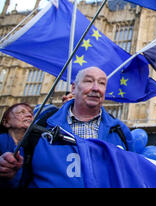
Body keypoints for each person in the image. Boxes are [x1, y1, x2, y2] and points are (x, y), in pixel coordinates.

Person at [0, 66, 134, 187]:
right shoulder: (40, 128)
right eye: (88, 81)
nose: (95, 88)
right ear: (74, 88)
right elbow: (21, 178)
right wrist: (10, 174)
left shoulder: (120, 132)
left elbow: (132, 176)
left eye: (102, 83)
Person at [0, 103, 33, 188]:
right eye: (21, 112)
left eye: (31, 113)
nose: (29, 115)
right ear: (6, 122)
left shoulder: (33, 148)